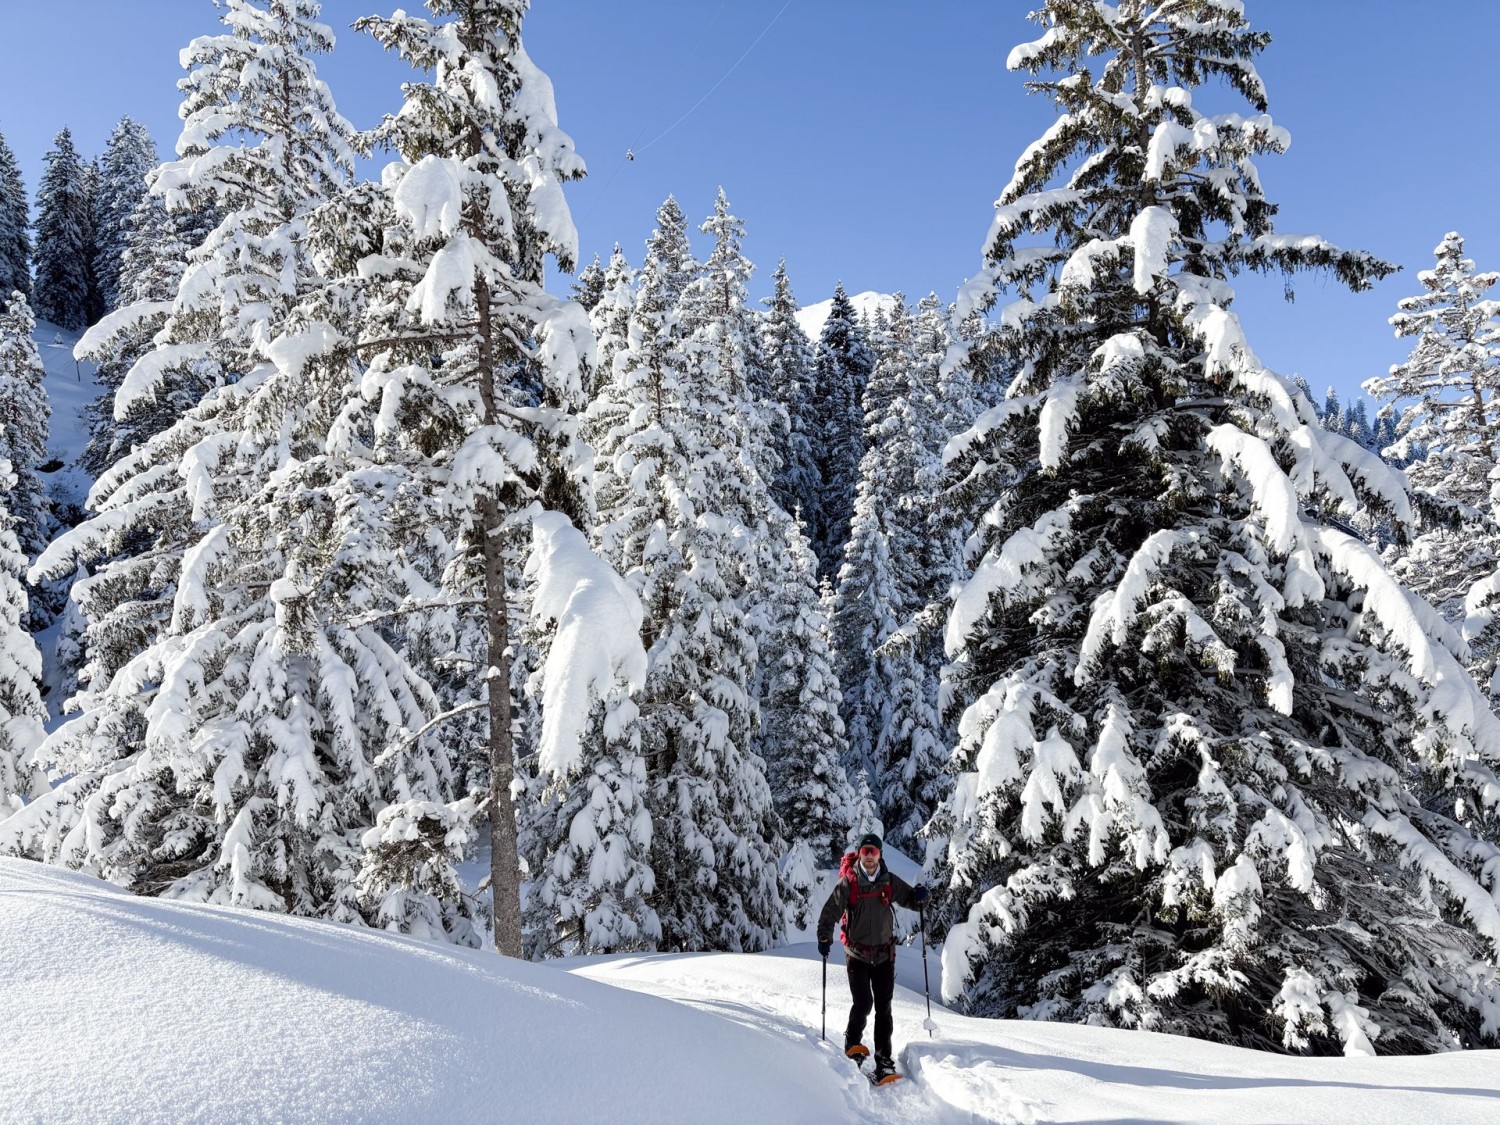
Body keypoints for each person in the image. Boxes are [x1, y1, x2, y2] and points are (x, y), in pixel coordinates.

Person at [816, 833, 928, 1082]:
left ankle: (884, 1061)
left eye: (873, 852)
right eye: (865, 852)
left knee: (883, 1008)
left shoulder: (888, 881)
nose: (869, 857)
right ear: (859, 854)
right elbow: (830, 911)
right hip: (857, 955)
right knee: (863, 1002)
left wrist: (922, 897)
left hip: (884, 955)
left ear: (879, 855)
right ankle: (853, 1045)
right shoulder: (849, 882)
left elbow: (913, 900)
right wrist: (824, 937)